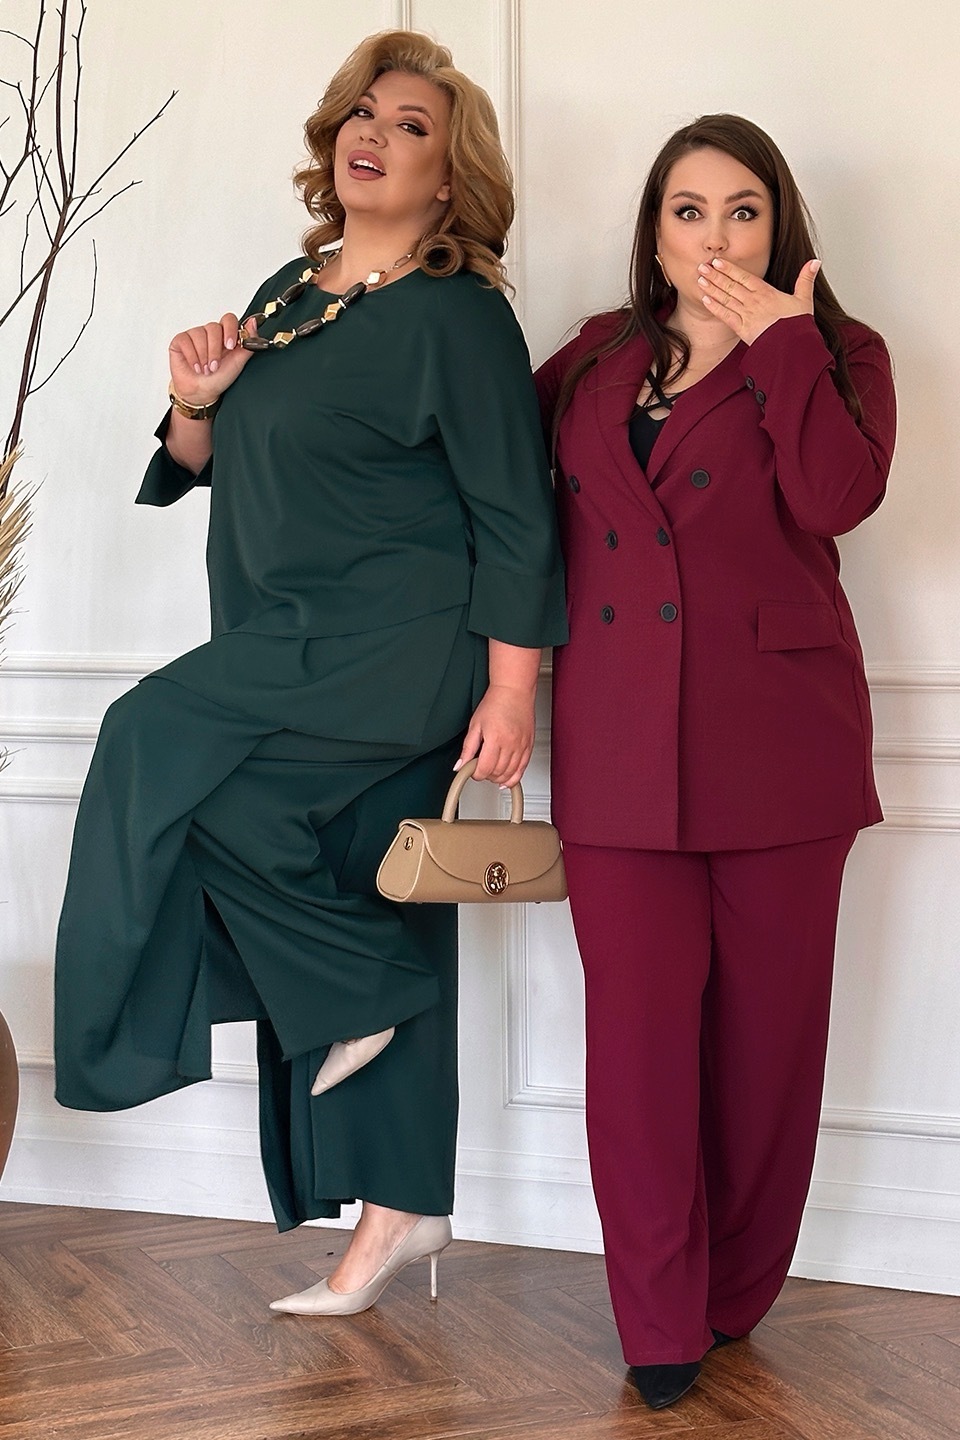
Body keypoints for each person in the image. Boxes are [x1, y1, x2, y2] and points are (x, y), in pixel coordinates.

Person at [54, 29, 566, 1317]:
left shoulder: (461, 315)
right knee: (352, 880)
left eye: (411, 126)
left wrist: (513, 689)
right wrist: (196, 401)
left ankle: (355, 990)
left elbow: (516, 514)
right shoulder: (289, 293)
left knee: (149, 742)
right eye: (363, 114)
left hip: (398, 643)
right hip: (280, 636)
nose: (374, 136)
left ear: (451, 175)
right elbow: (222, 459)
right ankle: (399, 1210)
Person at [535, 114, 895, 1409]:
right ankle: (658, 1319)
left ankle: (735, 1292)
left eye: (743, 210)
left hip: (781, 751)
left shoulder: (840, 352)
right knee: (635, 1056)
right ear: (653, 231)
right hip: (618, 750)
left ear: (779, 225)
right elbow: (488, 490)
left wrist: (782, 343)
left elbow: (837, 499)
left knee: (765, 1056)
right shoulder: (591, 360)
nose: (716, 237)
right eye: (688, 211)